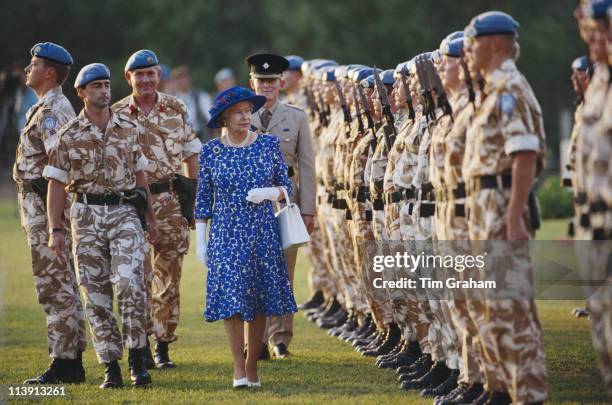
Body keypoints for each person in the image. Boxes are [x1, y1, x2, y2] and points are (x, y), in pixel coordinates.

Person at [44, 63, 158, 389]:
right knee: (94, 295)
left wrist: (150, 219)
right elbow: (55, 184)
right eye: (96, 86)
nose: (104, 91)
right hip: (86, 217)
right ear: (81, 92)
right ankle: (111, 365)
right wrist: (56, 230)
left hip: (123, 213)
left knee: (129, 282)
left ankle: (138, 355)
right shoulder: (67, 136)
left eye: (107, 85)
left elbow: (141, 176)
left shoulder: (128, 127)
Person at [463, 11, 549, 404]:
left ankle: (528, 394)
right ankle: (503, 391)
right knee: (493, 312)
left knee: (513, 314)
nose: (468, 50)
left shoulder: (509, 86)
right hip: (486, 211)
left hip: (501, 210)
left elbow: (525, 154)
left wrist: (514, 216)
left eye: (473, 41)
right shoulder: (491, 88)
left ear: (495, 44)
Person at [194, 86, 297, 388]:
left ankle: (253, 366)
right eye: (238, 112)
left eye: (247, 111)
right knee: (233, 301)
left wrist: (270, 193)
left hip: (262, 231)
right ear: (224, 118)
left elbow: (286, 188)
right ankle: (238, 368)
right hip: (225, 233)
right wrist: (201, 243)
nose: (245, 116)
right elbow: (202, 201)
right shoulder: (211, 150)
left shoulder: (267, 144)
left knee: (260, 299)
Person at [113, 50, 201, 370]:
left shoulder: (176, 107)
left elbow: (192, 153)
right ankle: (143, 343)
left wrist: (191, 202)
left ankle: (164, 344)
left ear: (159, 75)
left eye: (151, 73)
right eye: (140, 74)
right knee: (138, 278)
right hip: (133, 204)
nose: (146, 79)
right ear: (129, 78)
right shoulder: (117, 113)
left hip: (171, 202)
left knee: (169, 278)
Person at [13, 42, 87, 385]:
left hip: (48, 211)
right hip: (40, 210)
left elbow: (63, 168)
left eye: (34, 64)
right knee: (57, 284)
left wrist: (55, 223)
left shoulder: (55, 110)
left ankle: (66, 362)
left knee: (56, 285)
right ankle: (68, 359)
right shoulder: (43, 106)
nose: (28, 69)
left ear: (50, 73)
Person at [246, 53, 316, 359]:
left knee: (284, 273)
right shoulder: (240, 115)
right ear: (252, 82)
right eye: (260, 81)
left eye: (271, 81)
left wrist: (309, 209)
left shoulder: (297, 117)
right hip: (250, 204)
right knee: (253, 273)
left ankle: (281, 338)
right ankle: (256, 340)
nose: (266, 86)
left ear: (281, 83)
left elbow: (307, 165)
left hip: (286, 202)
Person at [172, 65, 214, 143]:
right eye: (179, 78)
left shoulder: (201, 96)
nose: (182, 81)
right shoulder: (173, 101)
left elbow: (211, 119)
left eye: (184, 77)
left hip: (201, 139)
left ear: (189, 79)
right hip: (182, 142)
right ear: (175, 81)